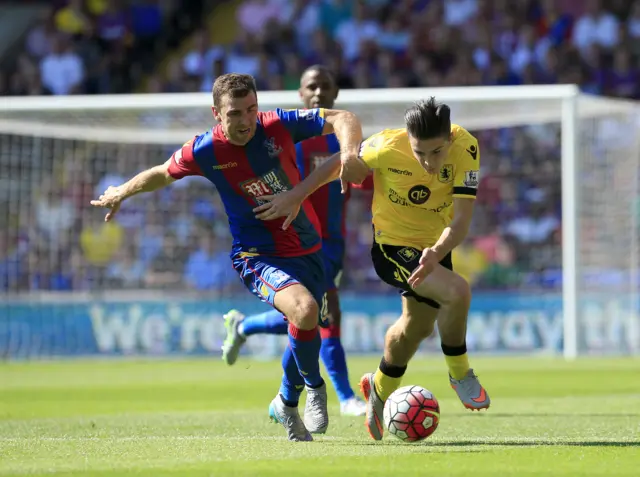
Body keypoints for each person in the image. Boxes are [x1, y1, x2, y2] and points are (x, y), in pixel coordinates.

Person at [89, 73, 363, 441]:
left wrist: (345, 157)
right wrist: (122, 190)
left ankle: (285, 401)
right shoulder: (205, 150)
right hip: (257, 255)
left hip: (308, 247)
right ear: (216, 113)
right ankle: (317, 390)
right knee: (305, 310)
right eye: (235, 113)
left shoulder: (277, 125)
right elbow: (162, 173)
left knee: (305, 322)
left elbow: (343, 118)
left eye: (251, 109)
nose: (246, 120)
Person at [255, 97, 490, 442]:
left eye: (436, 153)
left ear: (450, 141)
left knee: (416, 328)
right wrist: (297, 195)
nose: (427, 161)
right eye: (419, 152)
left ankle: (377, 392)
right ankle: (459, 372)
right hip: (392, 248)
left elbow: (461, 222)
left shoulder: (467, 148)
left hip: (435, 246)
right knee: (458, 291)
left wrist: (436, 252)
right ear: (408, 139)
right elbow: (336, 164)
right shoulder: (386, 145)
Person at [220, 65, 367, 417]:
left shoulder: (347, 140)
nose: (318, 93)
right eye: (311, 87)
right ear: (300, 94)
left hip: (334, 243)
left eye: (325, 86)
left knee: (311, 314)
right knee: (321, 316)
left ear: (335, 94)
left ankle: (243, 326)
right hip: (296, 241)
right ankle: (342, 397)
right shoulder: (286, 140)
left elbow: (366, 181)